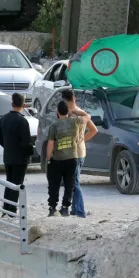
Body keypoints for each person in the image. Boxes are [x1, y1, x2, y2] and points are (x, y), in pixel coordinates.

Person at [60, 89, 98, 218]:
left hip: (73, 153)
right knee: (74, 181)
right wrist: (82, 140)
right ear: (74, 98)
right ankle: (75, 209)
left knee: (73, 182)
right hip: (81, 151)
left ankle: (80, 211)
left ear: (64, 100)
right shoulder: (82, 113)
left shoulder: (68, 115)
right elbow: (94, 130)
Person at [44, 101, 84, 216]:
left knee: (54, 184)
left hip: (57, 159)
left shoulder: (54, 126)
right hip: (72, 158)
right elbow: (87, 117)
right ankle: (65, 208)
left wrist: (48, 158)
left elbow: (50, 144)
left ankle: (52, 208)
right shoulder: (75, 122)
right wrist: (75, 111)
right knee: (69, 184)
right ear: (68, 111)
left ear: (57, 112)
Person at [0, 93, 33, 217]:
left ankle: (6, 208)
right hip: (20, 158)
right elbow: (26, 142)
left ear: (12, 104)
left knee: (9, 182)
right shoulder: (22, 121)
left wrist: (8, 146)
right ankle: (12, 210)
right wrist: (30, 153)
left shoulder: (3, 119)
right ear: (24, 105)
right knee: (17, 183)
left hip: (8, 155)